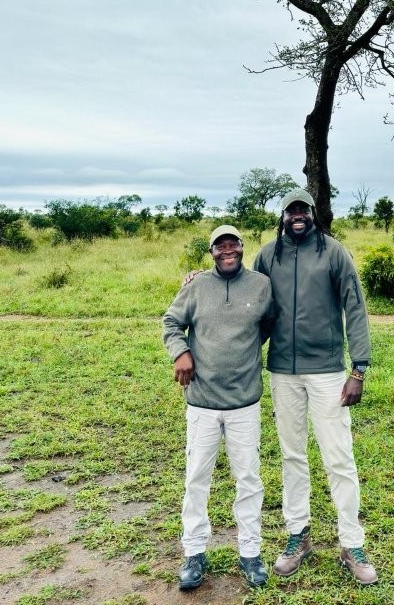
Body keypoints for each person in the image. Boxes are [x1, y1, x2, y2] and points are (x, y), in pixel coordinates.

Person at [253, 188, 377, 586]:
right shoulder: (268, 255)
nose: (297, 215)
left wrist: (358, 369)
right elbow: (250, 302)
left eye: (303, 209)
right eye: (290, 210)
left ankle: (352, 545)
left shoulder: (334, 252)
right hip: (282, 372)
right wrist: (199, 280)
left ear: (313, 212)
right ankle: (298, 537)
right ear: (283, 215)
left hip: (326, 371)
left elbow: (355, 307)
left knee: (338, 457)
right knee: (292, 456)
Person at [163, 224, 274, 591]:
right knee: (197, 477)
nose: (227, 250)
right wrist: (181, 352)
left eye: (233, 244)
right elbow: (171, 321)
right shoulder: (196, 286)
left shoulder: (260, 285)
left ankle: (250, 553)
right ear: (211, 252)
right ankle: (194, 553)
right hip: (203, 402)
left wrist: (243, 350)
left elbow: (268, 324)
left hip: (244, 402)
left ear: (242, 247)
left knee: (249, 479)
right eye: (219, 246)